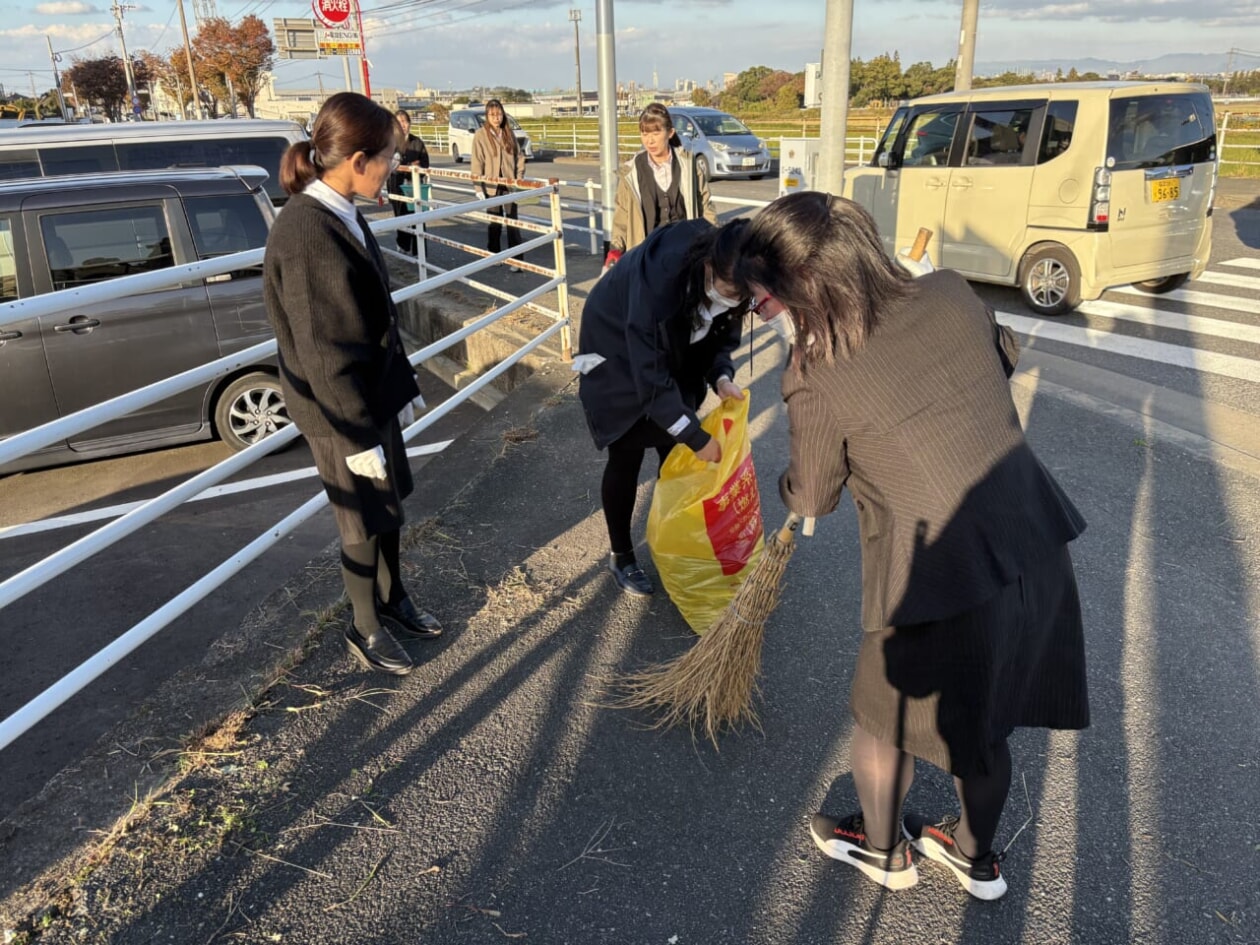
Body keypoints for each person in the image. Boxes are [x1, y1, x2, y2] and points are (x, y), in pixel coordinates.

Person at [737, 192, 1089, 899]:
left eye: (764, 294)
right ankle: (975, 858)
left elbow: (813, 496)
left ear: (802, 285)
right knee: (986, 722)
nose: (757, 308)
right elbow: (1004, 357)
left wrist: (791, 470)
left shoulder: (816, 370)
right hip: (1032, 541)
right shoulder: (951, 290)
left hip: (934, 574)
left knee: (882, 717)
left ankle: (884, 851)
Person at [263, 92, 444, 678]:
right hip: (339, 409)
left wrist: (401, 385)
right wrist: (356, 436)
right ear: (358, 159)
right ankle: (364, 625)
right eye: (389, 156)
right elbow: (322, 352)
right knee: (360, 520)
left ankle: (392, 598)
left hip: (371, 393)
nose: (395, 165)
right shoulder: (308, 232)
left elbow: (372, 315)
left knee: (388, 507)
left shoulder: (342, 208)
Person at [578, 217, 748, 596]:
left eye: (743, 295)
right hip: (611, 346)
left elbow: (721, 333)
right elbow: (650, 377)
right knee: (627, 450)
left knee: (675, 449)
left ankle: (671, 542)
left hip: (667, 347)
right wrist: (696, 437)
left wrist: (721, 375)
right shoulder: (661, 280)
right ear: (708, 266)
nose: (735, 299)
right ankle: (621, 555)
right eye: (730, 291)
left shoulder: (736, 275)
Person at [604, 103, 717, 270]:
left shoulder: (689, 165)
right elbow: (622, 216)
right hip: (646, 257)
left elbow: (705, 206)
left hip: (685, 254)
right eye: (644, 134)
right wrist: (615, 249)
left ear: (670, 133)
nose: (649, 140)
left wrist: (713, 240)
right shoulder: (631, 172)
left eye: (656, 133)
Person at [471, 99, 526, 264]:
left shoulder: (509, 133)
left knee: (512, 222)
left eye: (499, 114)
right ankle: (494, 254)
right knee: (495, 222)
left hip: (509, 185)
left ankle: (516, 259)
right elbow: (477, 162)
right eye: (492, 115)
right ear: (487, 116)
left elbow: (519, 157)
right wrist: (478, 187)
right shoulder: (481, 135)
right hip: (491, 185)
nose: (496, 118)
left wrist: (519, 179)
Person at [389, 108, 430, 257]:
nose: (403, 125)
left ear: (409, 123)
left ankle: (420, 251)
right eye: (399, 122)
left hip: (416, 186)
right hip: (397, 185)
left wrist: (418, 166)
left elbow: (425, 163)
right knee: (402, 217)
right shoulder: (390, 143)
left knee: (419, 218)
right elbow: (388, 164)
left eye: (405, 122)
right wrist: (407, 166)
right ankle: (403, 245)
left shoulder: (417, 142)